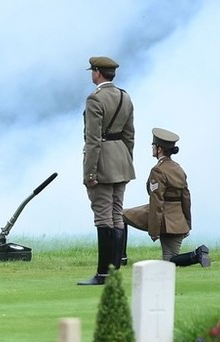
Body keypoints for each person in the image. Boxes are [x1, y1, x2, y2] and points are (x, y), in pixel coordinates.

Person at [78, 56, 135, 286]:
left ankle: (103, 273)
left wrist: (89, 173)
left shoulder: (95, 99)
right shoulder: (124, 96)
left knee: (103, 216)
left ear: (97, 73)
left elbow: (92, 140)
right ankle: (115, 271)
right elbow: (130, 135)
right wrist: (126, 161)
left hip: (102, 161)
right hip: (121, 160)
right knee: (116, 214)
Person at [123, 128, 209, 267]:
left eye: (153, 145)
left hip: (164, 219)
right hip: (178, 220)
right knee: (170, 260)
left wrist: (154, 230)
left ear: (159, 149)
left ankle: (120, 258)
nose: (152, 148)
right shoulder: (178, 169)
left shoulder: (158, 170)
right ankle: (196, 255)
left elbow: (157, 202)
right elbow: (186, 198)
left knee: (120, 215)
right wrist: (187, 224)